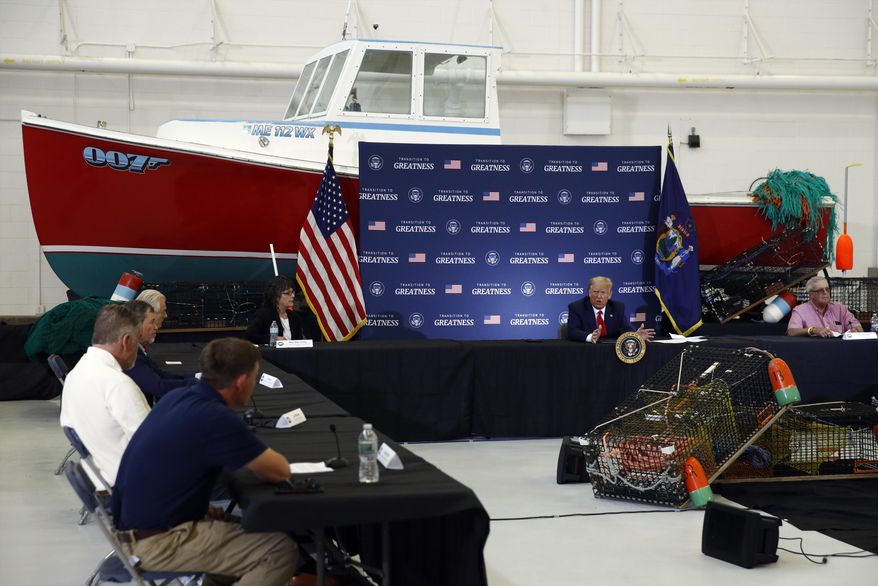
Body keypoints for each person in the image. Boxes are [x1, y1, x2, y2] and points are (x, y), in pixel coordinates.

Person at [112, 338, 297, 585]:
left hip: (136, 528)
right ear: (241, 382)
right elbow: (279, 471)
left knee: (244, 532)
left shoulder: (176, 398)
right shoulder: (214, 417)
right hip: (156, 542)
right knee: (278, 550)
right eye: (254, 377)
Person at [59, 304, 149, 486]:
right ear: (126, 341)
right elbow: (154, 443)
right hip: (134, 485)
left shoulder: (76, 374)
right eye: (137, 342)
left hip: (101, 478)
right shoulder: (118, 384)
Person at [124, 299, 195, 404]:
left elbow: (162, 375)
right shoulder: (132, 355)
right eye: (152, 322)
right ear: (137, 324)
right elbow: (159, 386)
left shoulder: (138, 351)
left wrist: (196, 378)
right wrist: (196, 383)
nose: (156, 327)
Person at [567, 276, 655, 343]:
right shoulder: (577, 307)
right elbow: (572, 331)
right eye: (595, 292)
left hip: (611, 352)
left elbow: (625, 328)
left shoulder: (617, 307)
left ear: (610, 295)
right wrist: (591, 337)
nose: (599, 296)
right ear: (589, 293)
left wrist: (634, 335)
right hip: (586, 351)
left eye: (603, 292)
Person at [787, 276, 862, 337]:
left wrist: (856, 330)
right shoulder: (800, 310)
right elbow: (791, 331)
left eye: (827, 289)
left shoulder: (840, 308)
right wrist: (813, 330)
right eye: (820, 290)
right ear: (811, 294)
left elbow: (858, 327)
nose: (825, 293)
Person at [245, 275, 306, 344]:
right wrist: (272, 339)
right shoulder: (263, 314)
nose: (293, 296)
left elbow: (300, 341)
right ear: (276, 296)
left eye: (293, 292)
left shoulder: (295, 317)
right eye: (287, 293)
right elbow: (250, 336)